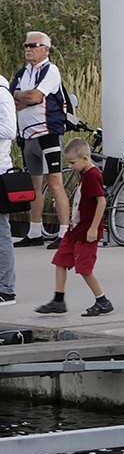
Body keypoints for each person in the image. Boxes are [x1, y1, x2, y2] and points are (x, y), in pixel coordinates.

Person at [34, 138, 113, 316]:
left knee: (85, 268)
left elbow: (101, 202)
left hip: (86, 232)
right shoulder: (84, 174)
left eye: (72, 162)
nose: (70, 166)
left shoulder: (93, 175)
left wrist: (93, 228)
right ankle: (58, 300)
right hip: (74, 230)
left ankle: (102, 301)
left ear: (85, 158)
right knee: (60, 261)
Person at [11, 32, 70, 249]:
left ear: (45, 49)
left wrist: (24, 96)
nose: (28, 48)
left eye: (34, 45)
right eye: (26, 45)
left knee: (54, 182)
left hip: (48, 132)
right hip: (27, 135)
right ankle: (34, 231)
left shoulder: (50, 70)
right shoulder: (23, 72)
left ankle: (65, 232)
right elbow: (14, 100)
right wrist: (24, 96)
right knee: (33, 185)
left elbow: (36, 97)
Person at [0, 74, 17, 305]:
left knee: (1, 232)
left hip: (0, 171)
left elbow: (9, 130)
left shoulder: (2, 93)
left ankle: (6, 288)